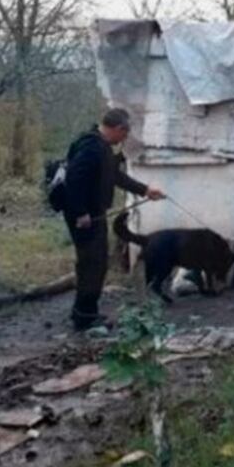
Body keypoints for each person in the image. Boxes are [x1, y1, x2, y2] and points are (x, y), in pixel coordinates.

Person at [63, 108, 164, 330]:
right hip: (85, 217)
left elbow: (115, 176)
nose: (124, 139)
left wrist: (145, 190)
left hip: (93, 214)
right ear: (118, 129)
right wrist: (80, 213)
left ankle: (85, 312)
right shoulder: (91, 147)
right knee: (93, 263)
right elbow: (74, 180)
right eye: (124, 134)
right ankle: (84, 317)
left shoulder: (102, 148)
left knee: (95, 262)